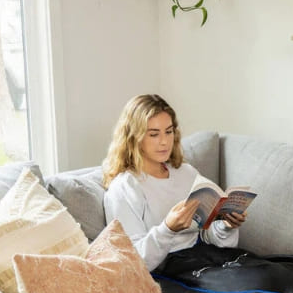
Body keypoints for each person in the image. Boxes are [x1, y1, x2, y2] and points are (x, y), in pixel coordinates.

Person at [102, 94, 246, 270]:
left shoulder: (185, 172)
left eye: (168, 132)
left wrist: (227, 225)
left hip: (206, 256)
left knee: (276, 276)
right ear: (134, 138)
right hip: (171, 269)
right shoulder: (124, 188)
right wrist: (167, 229)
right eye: (154, 134)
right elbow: (134, 262)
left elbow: (210, 237)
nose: (164, 141)